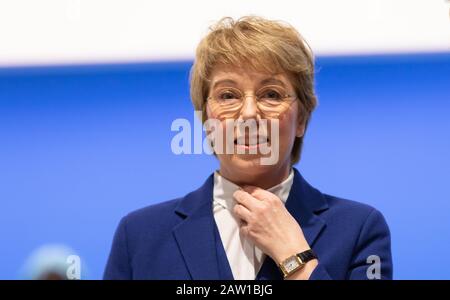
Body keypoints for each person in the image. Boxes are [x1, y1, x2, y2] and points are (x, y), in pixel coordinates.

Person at [104, 16, 392, 280]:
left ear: (301, 119)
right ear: (206, 120)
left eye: (271, 94)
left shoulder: (359, 229)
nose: (249, 114)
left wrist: (294, 256)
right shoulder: (140, 236)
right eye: (228, 95)